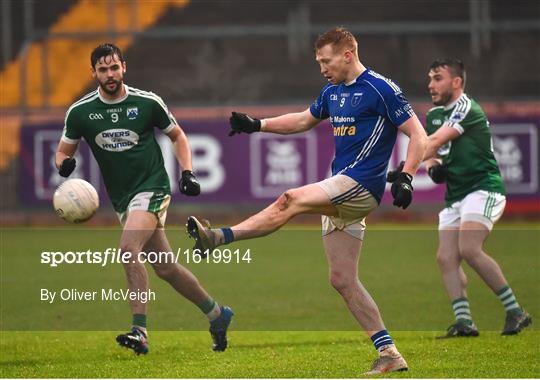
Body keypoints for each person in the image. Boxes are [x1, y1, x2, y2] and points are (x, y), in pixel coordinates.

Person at [186, 27, 427, 374]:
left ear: (347, 55)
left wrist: (406, 175)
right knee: (342, 279)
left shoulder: (381, 89)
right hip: (342, 188)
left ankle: (218, 237)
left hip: (360, 184)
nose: (321, 68)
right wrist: (257, 124)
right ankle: (389, 353)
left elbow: (418, 135)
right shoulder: (332, 91)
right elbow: (302, 120)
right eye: (318, 62)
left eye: (325, 61)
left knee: (290, 199)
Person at [55, 43, 233, 355]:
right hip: (123, 198)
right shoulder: (80, 112)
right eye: (102, 69)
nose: (110, 75)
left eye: (114, 68)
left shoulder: (147, 102)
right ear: (93, 73)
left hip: (152, 187)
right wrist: (63, 165)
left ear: (124, 67)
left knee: (127, 248)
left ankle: (140, 330)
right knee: (166, 268)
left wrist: (188, 171)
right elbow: (62, 151)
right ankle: (217, 314)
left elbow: (177, 135)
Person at [390, 58, 531, 338]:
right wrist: (431, 167)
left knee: (469, 248)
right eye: (430, 78)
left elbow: (434, 142)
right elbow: (430, 151)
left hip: (483, 188)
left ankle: (516, 311)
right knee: (446, 257)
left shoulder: (466, 107)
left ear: (456, 82)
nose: (430, 84)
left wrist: (407, 168)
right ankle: (464, 322)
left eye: (437, 78)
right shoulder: (433, 115)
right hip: (457, 195)